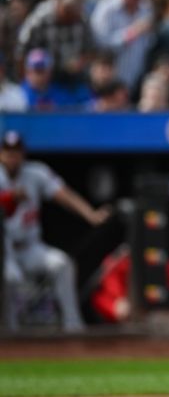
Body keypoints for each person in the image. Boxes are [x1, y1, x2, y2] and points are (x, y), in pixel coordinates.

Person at [1, 130, 110, 334]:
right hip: (4, 251)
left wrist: (90, 214)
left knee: (62, 264)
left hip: (31, 246)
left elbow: (63, 194)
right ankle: (10, 335)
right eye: (7, 152)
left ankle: (73, 328)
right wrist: (8, 199)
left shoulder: (35, 172)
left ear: (23, 153)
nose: (12, 156)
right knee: (10, 279)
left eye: (16, 151)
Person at [90, 244, 169, 323]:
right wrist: (119, 305)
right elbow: (108, 289)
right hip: (126, 311)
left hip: (159, 315)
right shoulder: (120, 262)